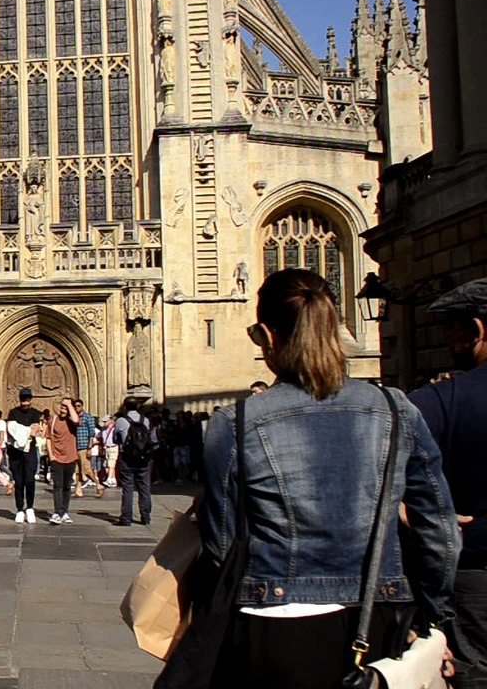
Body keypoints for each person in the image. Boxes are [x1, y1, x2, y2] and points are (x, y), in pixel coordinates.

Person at [186, 268, 460, 687]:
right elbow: (439, 530)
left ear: (268, 337)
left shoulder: (235, 422)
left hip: (272, 623)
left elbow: (223, 544)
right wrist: (435, 615)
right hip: (376, 617)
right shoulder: (395, 409)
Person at [410, 277, 487, 685]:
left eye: (452, 327)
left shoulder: (442, 400)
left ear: (475, 330)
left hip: (475, 578)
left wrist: (408, 513)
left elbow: (369, 462)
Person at [114, 399, 152, 526]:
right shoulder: (145, 420)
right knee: (144, 488)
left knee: (127, 488)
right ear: (138, 406)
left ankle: (126, 518)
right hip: (143, 459)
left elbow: (115, 439)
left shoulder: (121, 421)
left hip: (127, 458)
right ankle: (145, 517)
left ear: (125, 407)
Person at [6, 389, 42, 524]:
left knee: (30, 480)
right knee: (19, 481)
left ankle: (30, 508)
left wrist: (20, 430)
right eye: (23, 399)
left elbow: (34, 431)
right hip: (15, 452)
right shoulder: (13, 413)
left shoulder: (35, 413)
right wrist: (26, 430)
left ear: (31, 399)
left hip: (30, 451)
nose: (25, 402)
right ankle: (20, 509)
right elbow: (11, 429)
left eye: (27, 399)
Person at [46, 398, 80, 525]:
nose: (63, 410)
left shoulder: (72, 421)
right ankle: (57, 512)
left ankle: (64, 511)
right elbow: (48, 438)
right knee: (58, 486)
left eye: (66, 408)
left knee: (67, 486)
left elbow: (76, 420)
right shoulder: (53, 420)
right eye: (62, 407)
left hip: (71, 457)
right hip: (57, 458)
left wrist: (69, 405)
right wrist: (51, 455)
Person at [72, 399, 102, 498]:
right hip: (75, 446)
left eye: (78, 406)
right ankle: (78, 490)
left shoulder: (88, 417)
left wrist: (89, 447)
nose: (76, 408)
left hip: (84, 446)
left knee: (86, 469)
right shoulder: (73, 418)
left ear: (82, 406)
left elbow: (91, 433)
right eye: (75, 406)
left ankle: (98, 485)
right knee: (77, 470)